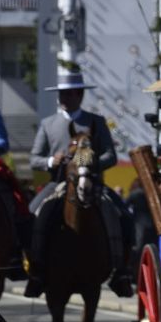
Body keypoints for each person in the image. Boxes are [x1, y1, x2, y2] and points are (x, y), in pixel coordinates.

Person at [24, 71, 134, 298]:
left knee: (123, 215)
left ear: (79, 95)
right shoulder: (48, 123)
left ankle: (120, 271)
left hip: (91, 183)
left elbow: (110, 155)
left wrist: (90, 164)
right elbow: (34, 158)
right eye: (61, 94)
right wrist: (50, 161)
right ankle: (36, 271)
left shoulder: (97, 121)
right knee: (30, 215)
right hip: (58, 183)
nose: (63, 98)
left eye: (69, 93)